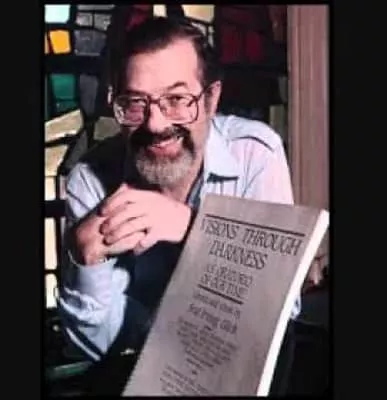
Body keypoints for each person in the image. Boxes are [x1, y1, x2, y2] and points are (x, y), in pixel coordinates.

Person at [57, 16, 298, 380]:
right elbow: (98, 349)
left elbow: (280, 314)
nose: (155, 124)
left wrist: (195, 229)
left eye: (177, 99)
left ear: (211, 98)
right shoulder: (89, 180)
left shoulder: (256, 154)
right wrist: (85, 261)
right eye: (135, 102)